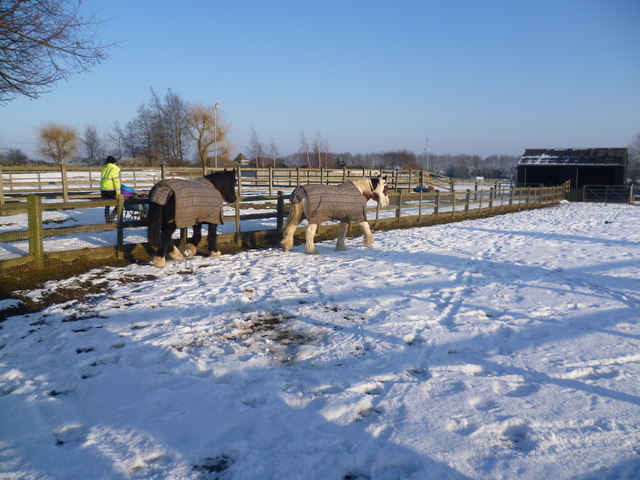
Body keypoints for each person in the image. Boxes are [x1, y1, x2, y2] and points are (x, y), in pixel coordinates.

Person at [100, 156, 122, 222]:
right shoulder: (114, 169)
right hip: (111, 190)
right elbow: (116, 182)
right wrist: (118, 194)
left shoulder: (104, 169)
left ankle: (107, 220)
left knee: (107, 206)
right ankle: (111, 218)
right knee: (119, 204)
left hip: (103, 190)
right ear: (114, 162)